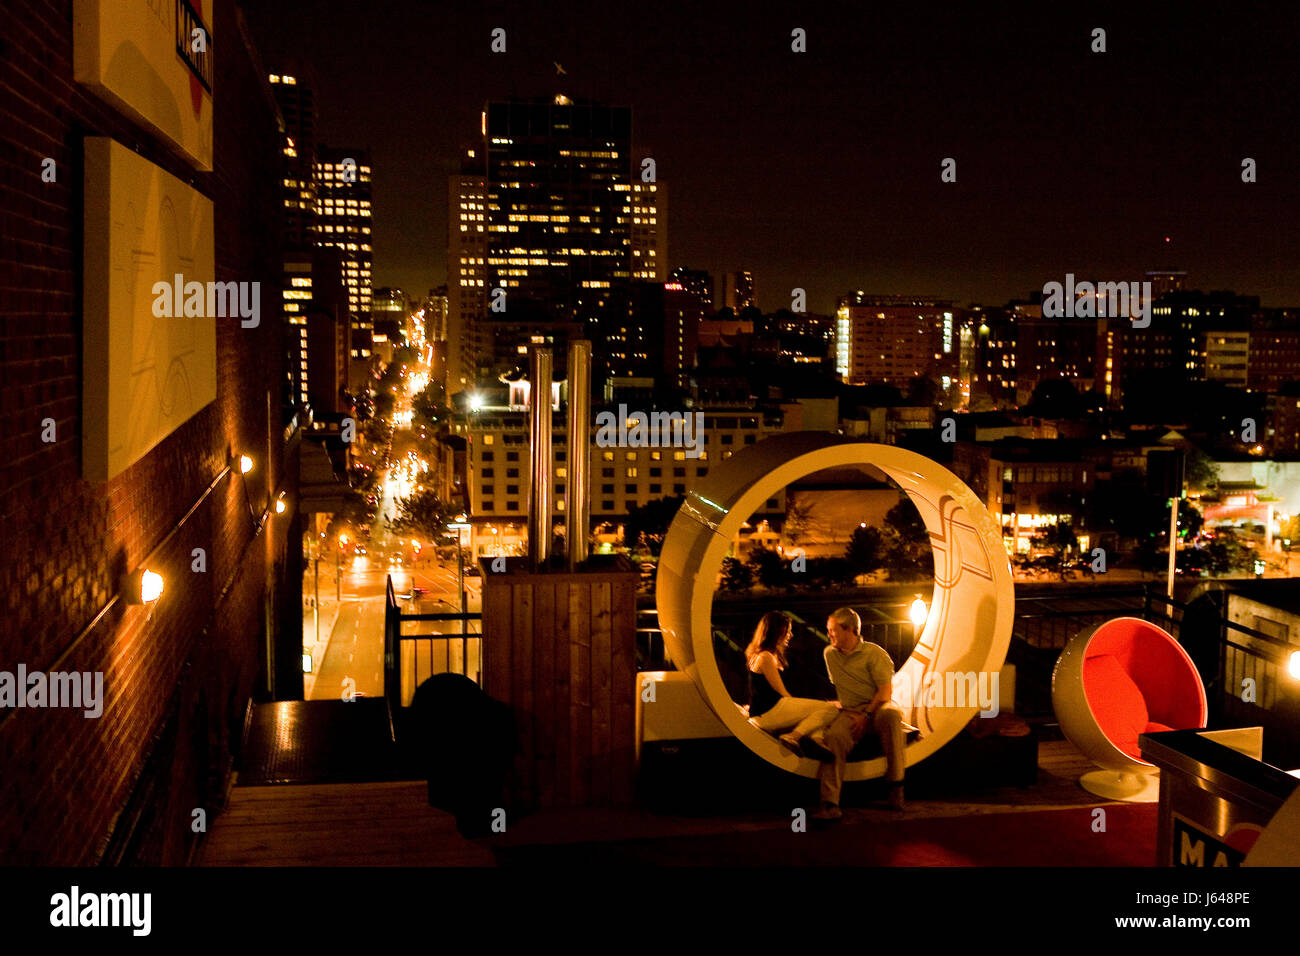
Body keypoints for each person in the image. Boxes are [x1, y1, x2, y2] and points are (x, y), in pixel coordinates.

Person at [812, 607, 906, 819]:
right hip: (850, 711)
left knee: (893, 717)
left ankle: (896, 785)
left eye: (833, 630)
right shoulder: (830, 655)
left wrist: (867, 715)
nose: (828, 635)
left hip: (878, 707)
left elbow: (885, 692)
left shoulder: (874, 654)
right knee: (834, 737)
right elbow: (841, 687)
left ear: (850, 630)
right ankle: (830, 803)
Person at [745, 611, 839, 754]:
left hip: (767, 710)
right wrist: (807, 706)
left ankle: (817, 740)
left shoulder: (765, 655)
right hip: (769, 713)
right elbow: (780, 691)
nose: (791, 635)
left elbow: (758, 690)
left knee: (819, 713)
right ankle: (793, 736)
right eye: (788, 631)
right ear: (778, 632)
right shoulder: (766, 657)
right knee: (830, 710)